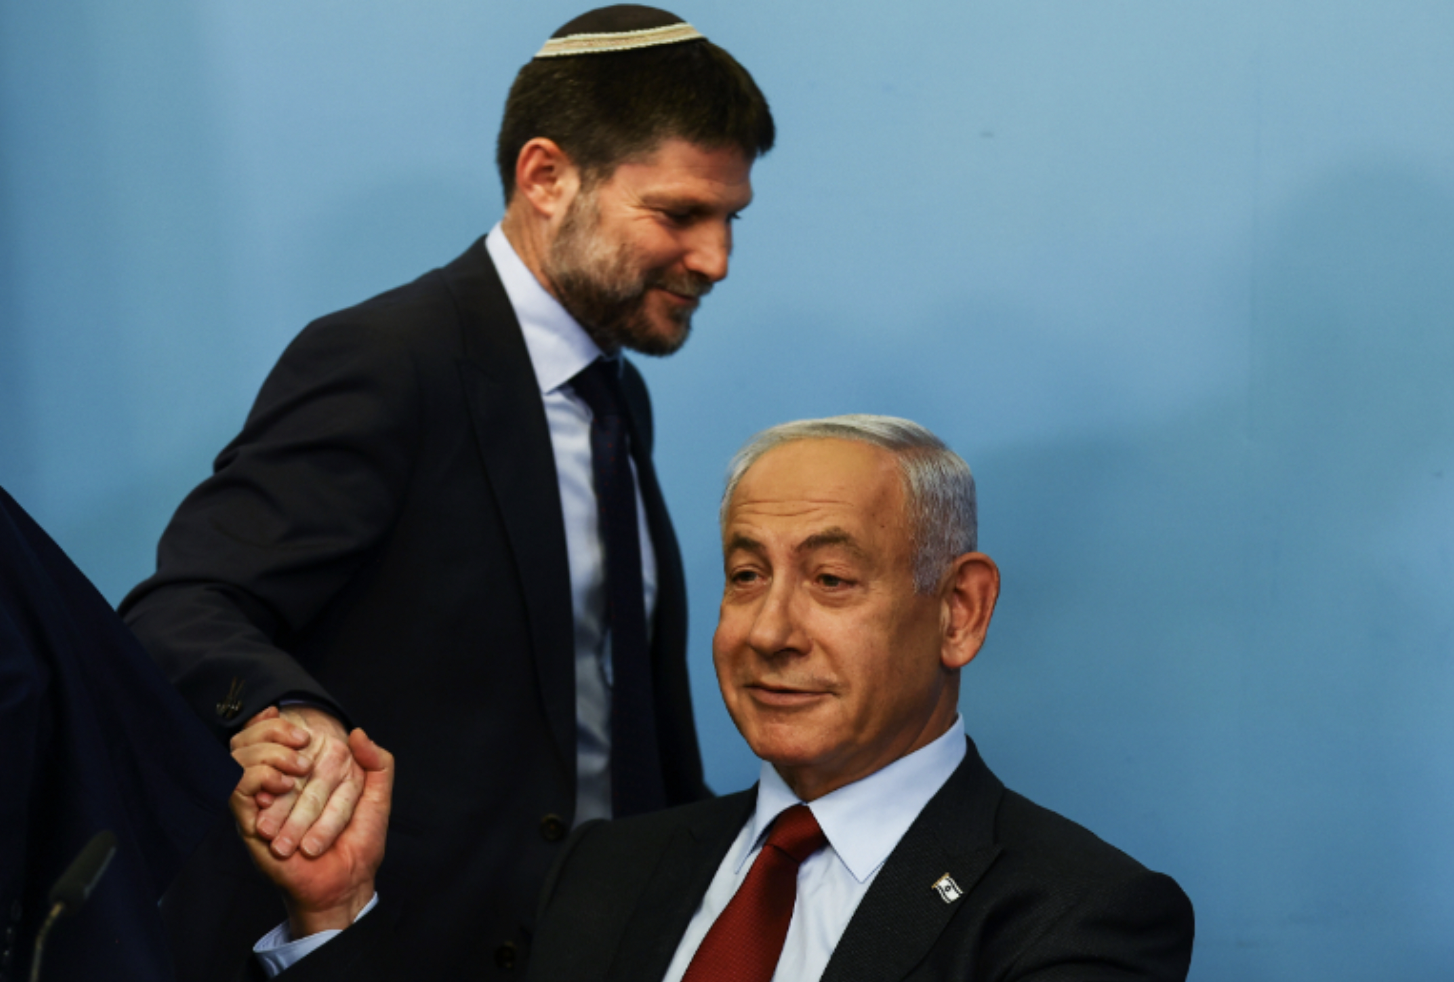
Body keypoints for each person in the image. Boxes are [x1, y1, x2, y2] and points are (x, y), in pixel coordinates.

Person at [118, 6, 774, 978]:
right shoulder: (388, 360)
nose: (715, 259)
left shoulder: (615, 395)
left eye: (729, 220)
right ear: (545, 177)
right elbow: (183, 606)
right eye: (679, 214)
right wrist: (289, 711)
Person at [228, 415, 1196, 981]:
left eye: (830, 580)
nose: (768, 630)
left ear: (957, 611)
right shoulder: (609, 869)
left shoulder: (1078, 918)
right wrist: (336, 912)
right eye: (744, 574)